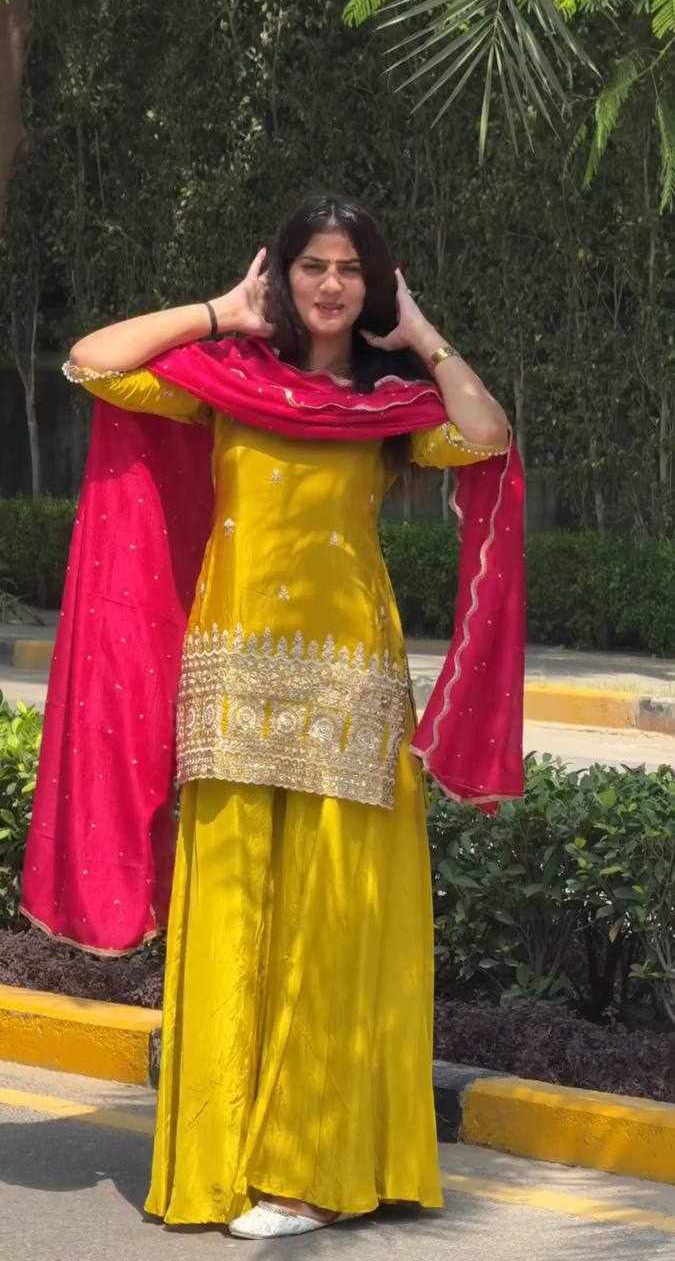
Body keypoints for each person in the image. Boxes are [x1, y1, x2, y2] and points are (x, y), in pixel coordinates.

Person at [29, 192, 522, 1239]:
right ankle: (217, 1167)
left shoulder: (392, 406)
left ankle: (308, 1174)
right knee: (231, 921)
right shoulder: (229, 383)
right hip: (231, 679)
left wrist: (422, 335)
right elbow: (91, 360)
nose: (332, 284)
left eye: (350, 268)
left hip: (349, 689)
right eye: (313, 266)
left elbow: (486, 436)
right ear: (283, 275)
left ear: (371, 282)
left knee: (332, 930)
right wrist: (220, 311)